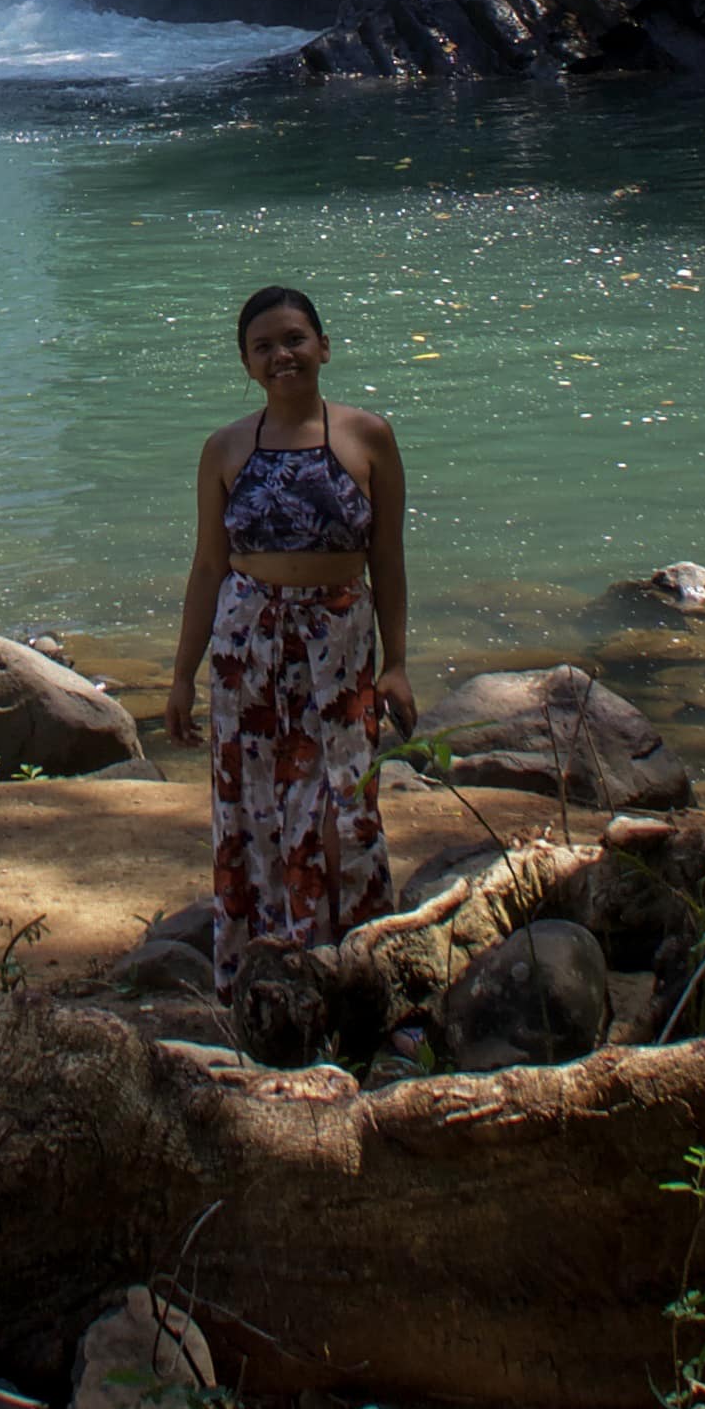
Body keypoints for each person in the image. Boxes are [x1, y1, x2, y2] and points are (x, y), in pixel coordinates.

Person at [163, 283, 413, 957]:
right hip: (248, 649)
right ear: (246, 364)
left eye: (295, 340)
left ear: (324, 347)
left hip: (340, 647)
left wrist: (397, 664)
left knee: (344, 806)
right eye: (263, 347)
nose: (283, 355)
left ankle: (349, 963)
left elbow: (386, 558)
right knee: (253, 808)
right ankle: (262, 973)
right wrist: (182, 676)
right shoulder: (224, 448)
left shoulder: (369, 437)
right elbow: (209, 567)